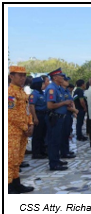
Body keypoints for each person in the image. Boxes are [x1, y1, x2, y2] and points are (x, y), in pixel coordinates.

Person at [8, 66, 36, 194]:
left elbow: (27, 111)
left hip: (22, 131)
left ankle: (16, 183)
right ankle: (8, 187)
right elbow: (11, 115)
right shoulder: (10, 93)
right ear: (11, 76)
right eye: (19, 75)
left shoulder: (22, 93)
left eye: (24, 75)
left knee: (18, 159)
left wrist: (30, 124)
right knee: (9, 160)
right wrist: (26, 127)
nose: (23, 78)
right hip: (12, 131)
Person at [44, 68, 70, 171]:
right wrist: (64, 103)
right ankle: (53, 163)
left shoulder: (58, 88)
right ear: (55, 77)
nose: (63, 77)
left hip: (60, 118)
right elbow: (50, 105)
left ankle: (56, 159)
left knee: (57, 140)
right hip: (54, 118)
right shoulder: (52, 89)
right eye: (61, 76)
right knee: (53, 141)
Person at [29, 77, 49, 159]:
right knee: (37, 135)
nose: (42, 84)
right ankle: (36, 153)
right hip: (38, 115)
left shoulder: (42, 93)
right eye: (41, 83)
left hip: (44, 115)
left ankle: (42, 151)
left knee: (43, 134)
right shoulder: (34, 94)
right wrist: (35, 117)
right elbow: (32, 106)